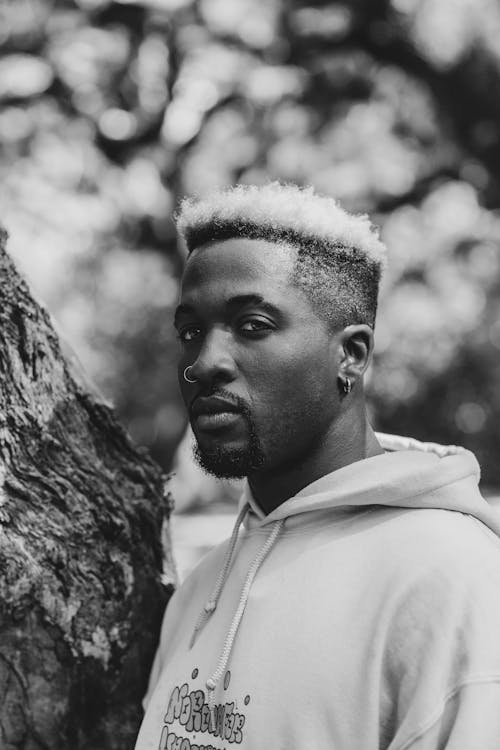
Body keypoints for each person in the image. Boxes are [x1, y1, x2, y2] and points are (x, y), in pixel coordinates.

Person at [135, 182, 500, 750]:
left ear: (350, 355)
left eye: (253, 325)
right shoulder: (198, 592)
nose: (204, 362)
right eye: (191, 332)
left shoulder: (453, 580)